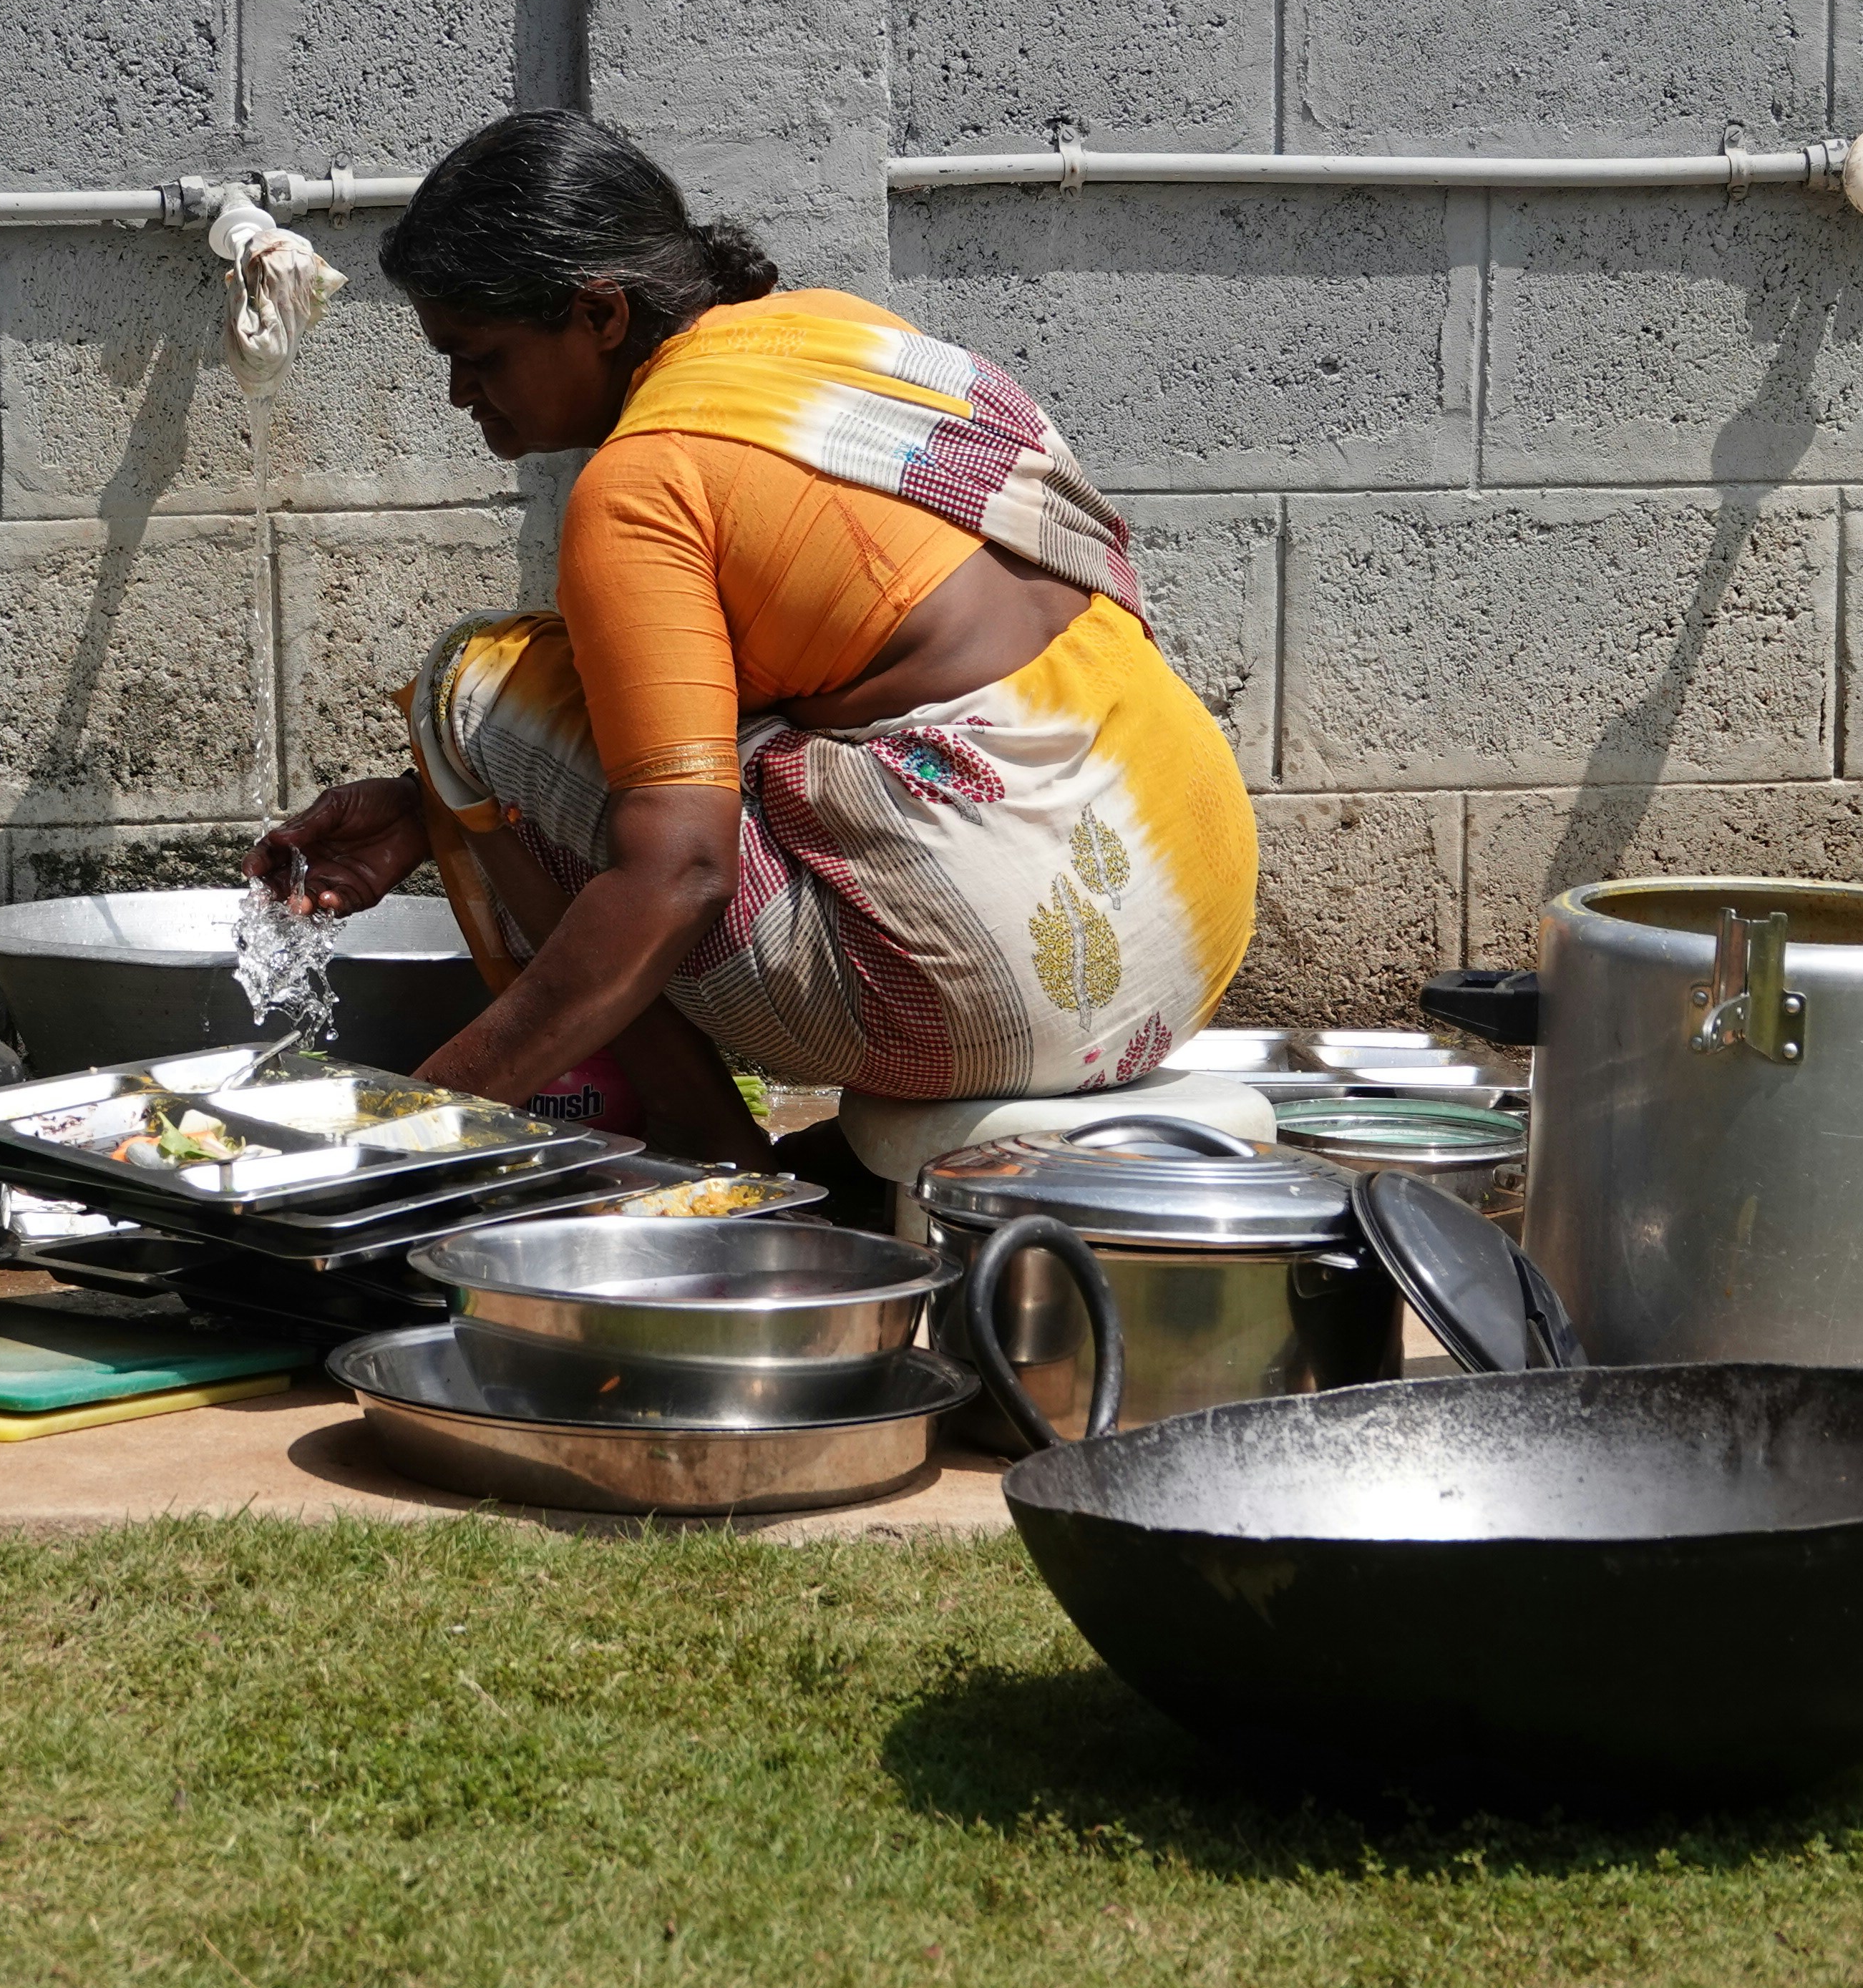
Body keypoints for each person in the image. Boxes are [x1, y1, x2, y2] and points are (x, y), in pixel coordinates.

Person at [249, 111, 1255, 1187]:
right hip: (1189, 943)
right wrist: (431, 805)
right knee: (563, 730)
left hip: (988, 996)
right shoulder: (841, 341)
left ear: (599, 314)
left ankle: (712, 1154)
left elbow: (679, 870)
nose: (461, 397)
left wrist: (399, 1133)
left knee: (473, 687)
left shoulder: (644, 482)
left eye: (478, 356)